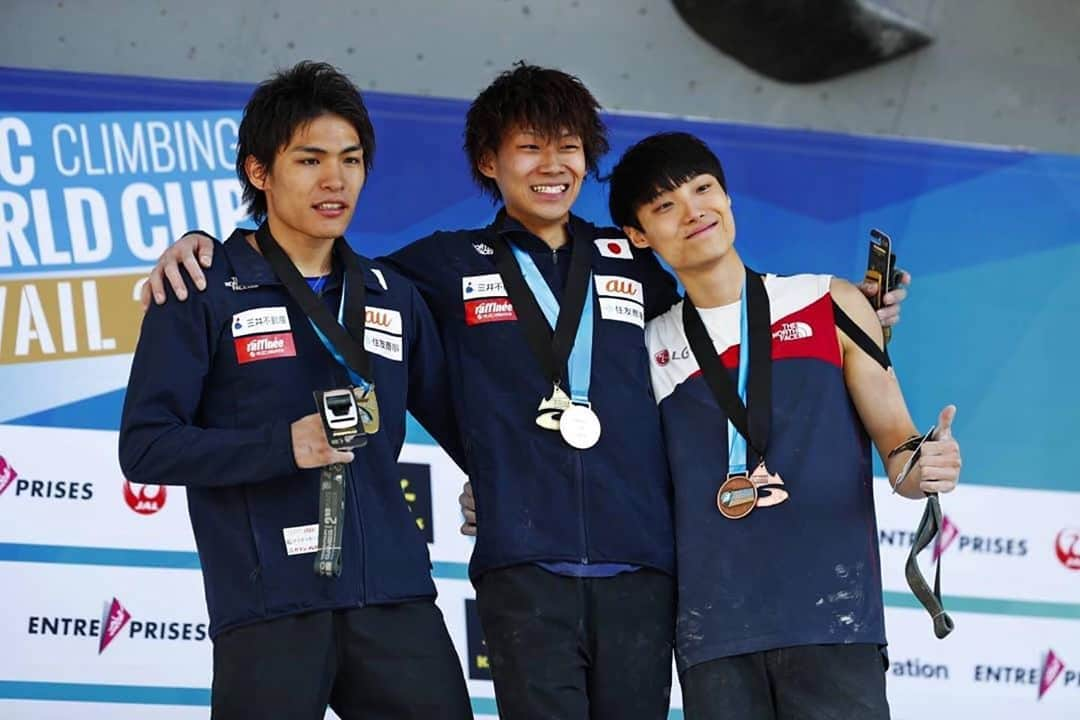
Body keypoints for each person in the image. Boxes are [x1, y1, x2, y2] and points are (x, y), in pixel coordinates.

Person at [140, 64, 908, 719]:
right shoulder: (435, 268)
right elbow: (318, 272)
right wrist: (206, 246)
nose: (552, 164)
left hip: (644, 568)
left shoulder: (632, 261)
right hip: (522, 570)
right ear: (488, 161)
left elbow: (730, 306)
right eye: (529, 147)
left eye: (569, 147)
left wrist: (857, 319)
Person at [119, 61, 472, 720]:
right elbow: (146, 448)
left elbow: (467, 424)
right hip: (268, 600)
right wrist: (284, 445)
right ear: (259, 172)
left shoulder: (393, 296)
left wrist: (506, 483)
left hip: (391, 594)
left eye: (351, 159)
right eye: (309, 160)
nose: (334, 180)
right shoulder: (201, 288)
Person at [604, 131, 961, 720]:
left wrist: (925, 464)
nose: (694, 211)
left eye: (704, 189)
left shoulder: (829, 301)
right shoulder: (645, 346)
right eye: (665, 205)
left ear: (727, 197)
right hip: (714, 634)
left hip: (836, 619)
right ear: (640, 235)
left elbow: (899, 447)